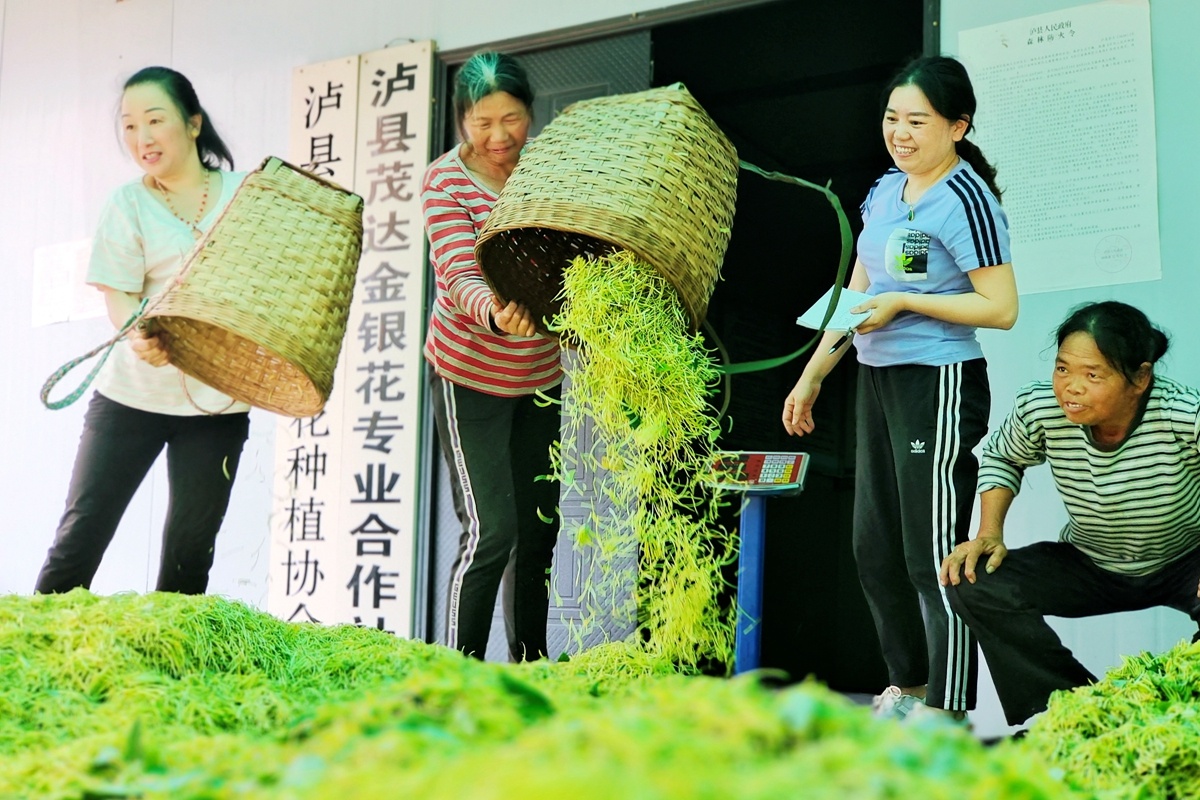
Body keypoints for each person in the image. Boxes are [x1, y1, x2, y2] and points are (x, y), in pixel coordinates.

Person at [782, 55, 1018, 720]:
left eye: (917, 120)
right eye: (892, 118)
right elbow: (858, 292)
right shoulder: (887, 192)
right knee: (874, 549)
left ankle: (948, 711)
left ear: (958, 127)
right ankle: (908, 688)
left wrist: (907, 307)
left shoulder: (965, 198)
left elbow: (1000, 307)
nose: (900, 132)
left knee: (931, 555)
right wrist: (812, 376)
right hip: (877, 381)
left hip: (938, 382)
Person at [35, 67, 250, 595]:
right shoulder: (127, 204)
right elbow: (119, 294)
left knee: (189, 556)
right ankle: (23, 659)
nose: (141, 138)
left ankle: (169, 673)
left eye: (155, 120)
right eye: (129, 126)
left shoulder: (246, 195)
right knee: (79, 538)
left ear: (193, 124)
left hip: (216, 405)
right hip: (129, 396)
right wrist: (139, 332)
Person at [941, 301, 1200, 726]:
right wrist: (989, 531)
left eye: (1092, 375)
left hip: (1184, 561)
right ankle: (1077, 715)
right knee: (974, 580)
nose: (1070, 388)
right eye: (1063, 369)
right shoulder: (1040, 408)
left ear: (1140, 378)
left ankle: (1184, 718)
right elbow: (1003, 457)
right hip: (1090, 562)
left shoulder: (1183, 414)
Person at [422, 51, 562, 661]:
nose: (499, 136)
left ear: (530, 114)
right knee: (490, 533)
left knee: (537, 530)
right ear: (460, 122)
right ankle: (458, 676)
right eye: (482, 122)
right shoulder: (445, 181)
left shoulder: (550, 172)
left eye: (512, 119)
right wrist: (493, 310)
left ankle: (529, 671)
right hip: (469, 374)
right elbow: (456, 267)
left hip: (538, 377)